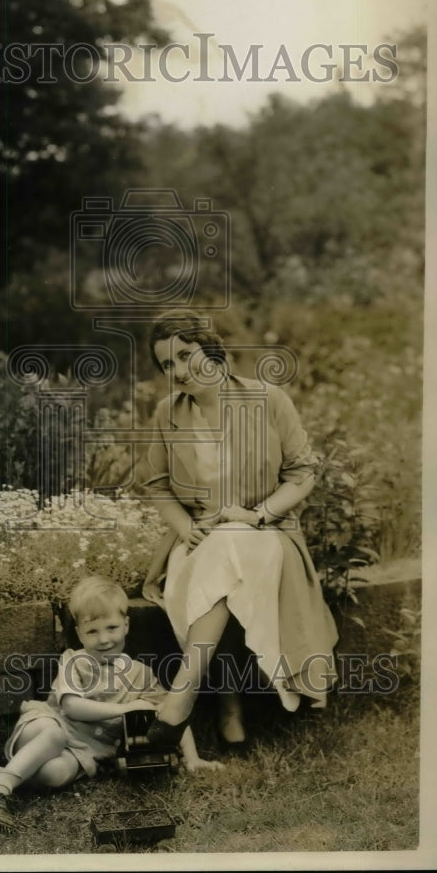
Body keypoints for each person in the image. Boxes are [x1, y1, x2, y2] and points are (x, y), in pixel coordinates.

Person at [139, 311, 338, 753]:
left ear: (213, 351)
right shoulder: (167, 414)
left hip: (266, 532)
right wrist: (186, 527)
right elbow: (156, 485)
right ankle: (225, 710)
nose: (179, 372)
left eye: (186, 356)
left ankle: (181, 700)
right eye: (167, 365)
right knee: (222, 557)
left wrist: (257, 515)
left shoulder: (268, 399)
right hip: (198, 540)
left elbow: (302, 473)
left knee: (234, 543)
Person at [0, 575, 221, 830]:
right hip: (44, 727)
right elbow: (73, 707)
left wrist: (192, 758)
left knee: (55, 774)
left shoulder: (140, 674)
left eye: (111, 627)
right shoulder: (75, 660)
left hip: (81, 751)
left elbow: (172, 713)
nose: (104, 639)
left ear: (126, 625)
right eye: (92, 632)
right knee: (54, 734)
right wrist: (126, 708)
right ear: (78, 633)